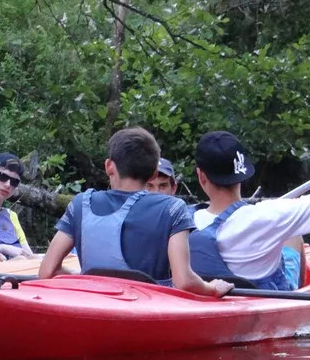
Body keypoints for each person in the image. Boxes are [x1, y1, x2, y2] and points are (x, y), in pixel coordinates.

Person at [37, 127, 233, 296]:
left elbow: (47, 270)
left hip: (94, 307)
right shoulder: (173, 208)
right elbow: (184, 281)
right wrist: (212, 288)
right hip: (150, 317)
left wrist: (87, 279)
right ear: (153, 174)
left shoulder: (80, 204)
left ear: (109, 167)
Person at [190, 130, 310, 290]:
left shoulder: (183, 218)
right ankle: (302, 292)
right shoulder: (267, 215)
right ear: (242, 174)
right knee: (293, 235)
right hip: (267, 299)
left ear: (201, 176)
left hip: (207, 295)